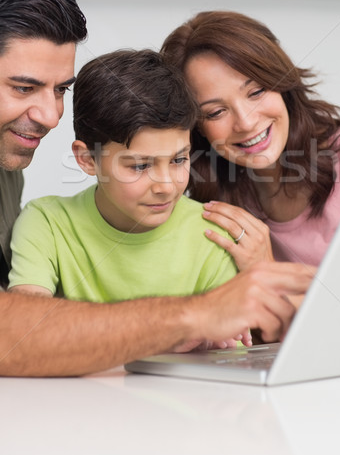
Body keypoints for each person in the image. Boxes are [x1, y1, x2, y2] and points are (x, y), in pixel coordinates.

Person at [0, 0, 312, 376]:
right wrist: (189, 317)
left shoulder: (8, 166)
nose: (50, 115)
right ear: (87, 159)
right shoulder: (46, 219)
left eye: (60, 90)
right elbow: (16, 336)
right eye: (23, 87)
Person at [161, 10, 340, 269]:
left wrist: (268, 270)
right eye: (216, 112)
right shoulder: (213, 202)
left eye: (256, 92)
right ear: (198, 129)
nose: (246, 122)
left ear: (282, 83)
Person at [8, 49, 238, 314]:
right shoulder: (46, 223)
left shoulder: (214, 237)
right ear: (87, 159)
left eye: (178, 160)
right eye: (140, 166)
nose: (165, 186)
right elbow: (27, 322)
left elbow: (227, 346)